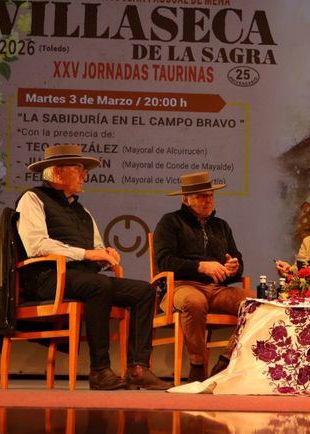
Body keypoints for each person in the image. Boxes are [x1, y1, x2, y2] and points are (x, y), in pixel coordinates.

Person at [16, 144, 171, 391]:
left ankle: (138, 369)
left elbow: (95, 247)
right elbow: (37, 245)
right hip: (48, 278)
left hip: (83, 278)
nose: (84, 175)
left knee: (144, 291)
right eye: (78, 169)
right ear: (57, 172)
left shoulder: (82, 211)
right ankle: (99, 370)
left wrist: (105, 255)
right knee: (98, 285)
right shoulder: (33, 199)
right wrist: (87, 254)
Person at [153, 171, 248, 383]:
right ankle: (197, 365)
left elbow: (237, 259)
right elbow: (164, 261)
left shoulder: (221, 226)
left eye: (211, 195)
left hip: (217, 289)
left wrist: (234, 267)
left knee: (255, 304)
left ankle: (225, 361)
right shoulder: (170, 222)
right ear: (186, 199)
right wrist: (200, 267)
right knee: (194, 301)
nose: (209, 200)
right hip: (180, 286)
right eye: (202, 196)